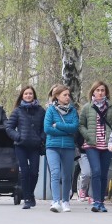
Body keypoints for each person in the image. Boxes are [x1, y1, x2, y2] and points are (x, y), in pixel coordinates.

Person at [78, 80, 112, 213]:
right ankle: (96, 201)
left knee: (103, 173)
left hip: (107, 145)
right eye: (98, 90)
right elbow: (81, 124)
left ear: (106, 92)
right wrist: (88, 136)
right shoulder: (86, 107)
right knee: (95, 171)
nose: (100, 93)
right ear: (93, 92)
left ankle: (101, 201)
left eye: (102, 90)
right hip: (91, 145)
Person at [6, 86, 46, 209]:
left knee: (34, 172)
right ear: (22, 96)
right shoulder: (17, 111)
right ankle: (27, 198)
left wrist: (41, 138)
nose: (28, 96)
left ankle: (30, 194)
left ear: (34, 95)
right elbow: (9, 127)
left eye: (30, 93)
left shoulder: (41, 111)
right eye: (26, 94)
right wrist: (18, 137)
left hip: (35, 146)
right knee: (25, 171)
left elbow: (45, 127)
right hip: (21, 146)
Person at [44, 85, 79, 213]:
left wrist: (58, 125)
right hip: (52, 146)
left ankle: (65, 201)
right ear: (57, 96)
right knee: (55, 172)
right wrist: (66, 130)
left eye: (68, 95)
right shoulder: (51, 110)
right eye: (64, 95)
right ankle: (56, 201)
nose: (67, 97)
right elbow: (47, 129)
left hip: (68, 147)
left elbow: (74, 127)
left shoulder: (73, 111)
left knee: (66, 175)